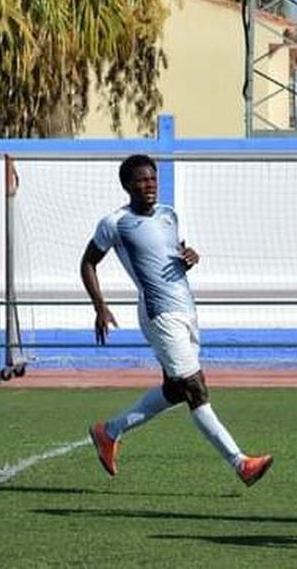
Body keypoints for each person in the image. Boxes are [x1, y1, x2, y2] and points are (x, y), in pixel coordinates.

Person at [80, 154, 272, 486]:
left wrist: (190, 256)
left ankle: (108, 432)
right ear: (127, 185)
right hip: (159, 314)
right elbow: (87, 263)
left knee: (174, 389)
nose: (149, 185)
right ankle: (241, 463)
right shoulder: (115, 223)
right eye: (141, 180)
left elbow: (171, 250)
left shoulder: (169, 215)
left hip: (186, 309)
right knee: (195, 388)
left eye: (152, 179)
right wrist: (100, 306)